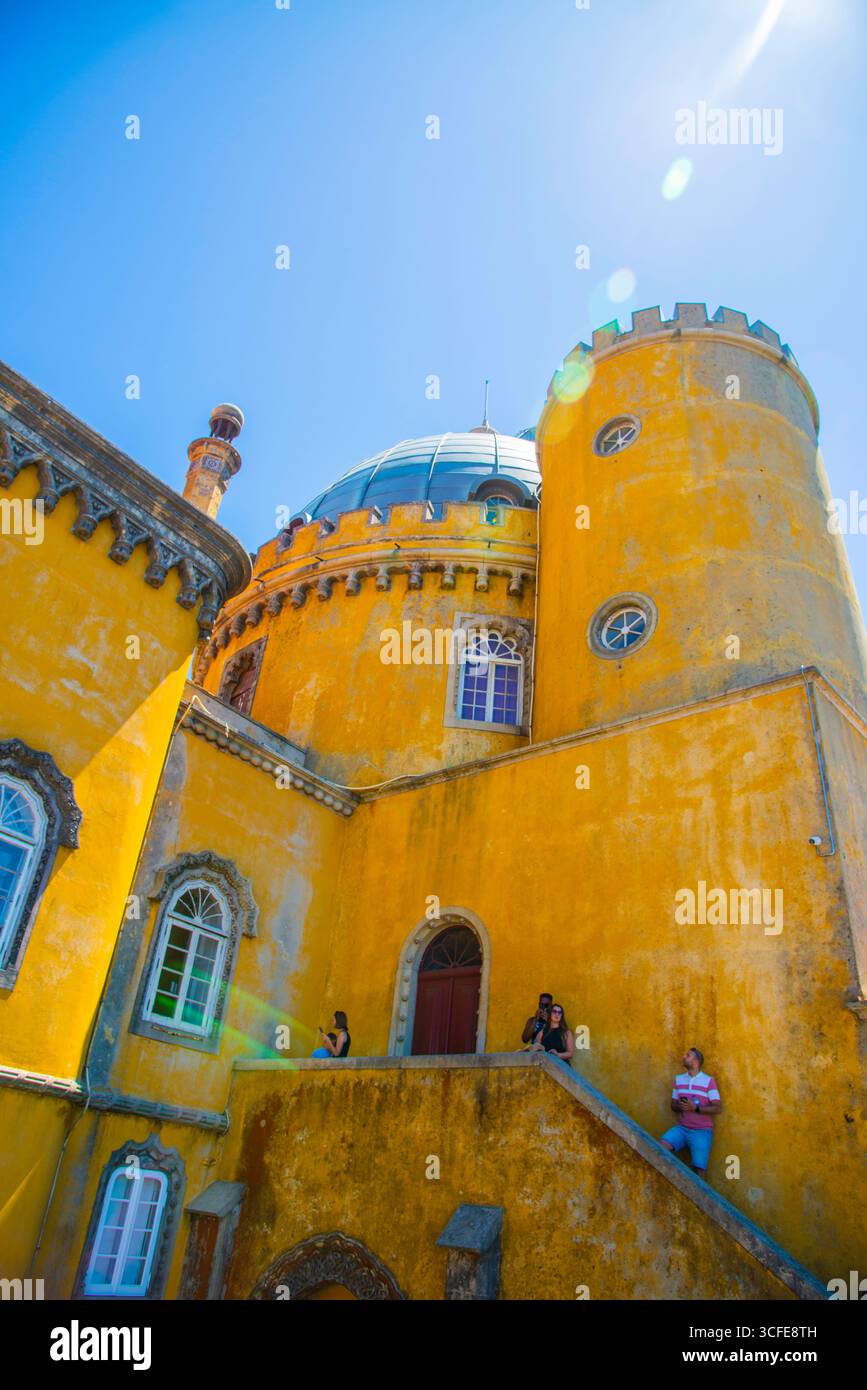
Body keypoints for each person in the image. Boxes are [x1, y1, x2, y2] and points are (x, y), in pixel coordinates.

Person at [660, 1046, 722, 1178]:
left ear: (696, 1061)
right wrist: (680, 1107)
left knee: (699, 1170)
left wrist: (696, 1108)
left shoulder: (708, 1081)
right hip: (682, 1128)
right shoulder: (679, 1079)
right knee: (660, 1148)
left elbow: (717, 1108)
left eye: (687, 1055)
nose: (683, 1057)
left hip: (702, 1131)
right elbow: (673, 1105)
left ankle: (702, 1198)